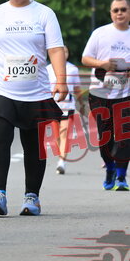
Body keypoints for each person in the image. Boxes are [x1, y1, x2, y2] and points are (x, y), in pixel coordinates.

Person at [0, 0, 68, 216]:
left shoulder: (44, 14)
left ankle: (31, 197)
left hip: (36, 91)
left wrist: (61, 80)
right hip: (2, 89)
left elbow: (55, 49)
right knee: (0, 138)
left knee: (34, 145)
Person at [81, 0, 130, 191]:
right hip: (100, 93)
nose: (120, 13)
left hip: (126, 93)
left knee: (125, 135)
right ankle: (110, 168)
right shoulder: (100, 33)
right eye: (116, 10)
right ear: (111, 13)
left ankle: (121, 176)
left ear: (129, 12)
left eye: (123, 9)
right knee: (105, 136)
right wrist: (102, 64)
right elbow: (85, 59)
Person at [47, 46, 84, 174]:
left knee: (64, 134)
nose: (63, 53)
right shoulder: (48, 69)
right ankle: (61, 157)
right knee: (56, 135)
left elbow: (77, 89)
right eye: (61, 51)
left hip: (68, 106)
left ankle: (62, 162)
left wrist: (81, 103)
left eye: (66, 51)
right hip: (53, 106)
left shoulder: (73, 69)